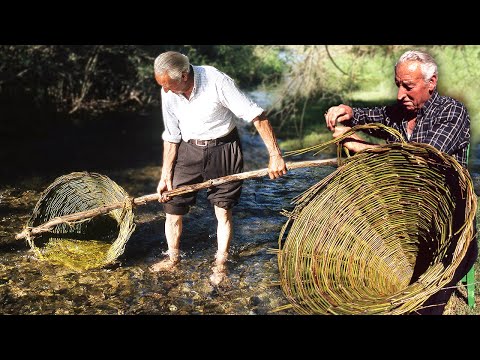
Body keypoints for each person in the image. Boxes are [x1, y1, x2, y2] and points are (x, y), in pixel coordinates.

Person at [324, 49, 477, 314]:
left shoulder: (452, 112)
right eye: (398, 85)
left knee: (421, 307)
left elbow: (422, 157)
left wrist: (362, 148)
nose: (400, 95)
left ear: (431, 82)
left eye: (408, 86)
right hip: (409, 226)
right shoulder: (398, 113)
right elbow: (366, 116)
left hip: (451, 229)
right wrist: (345, 111)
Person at [149, 51, 287, 286]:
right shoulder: (168, 90)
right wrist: (165, 175)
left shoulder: (216, 81)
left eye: (168, 85)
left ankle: (220, 264)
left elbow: (257, 115)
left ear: (183, 75)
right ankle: (172, 259)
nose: (164, 90)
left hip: (224, 148)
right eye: (161, 84)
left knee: (222, 210)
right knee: (172, 206)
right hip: (188, 149)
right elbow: (171, 135)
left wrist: (275, 155)